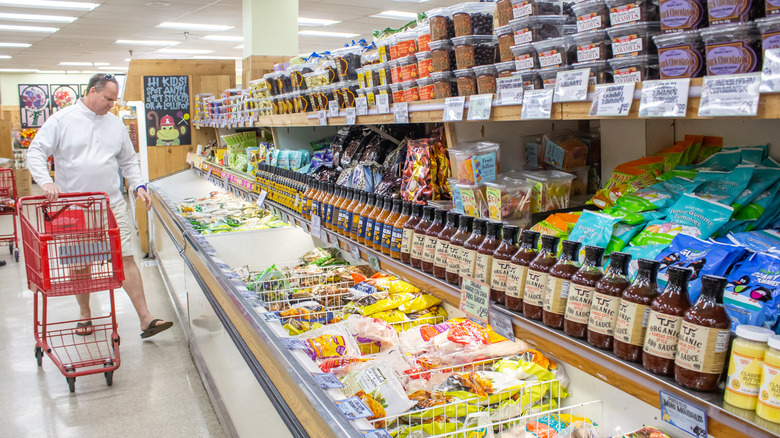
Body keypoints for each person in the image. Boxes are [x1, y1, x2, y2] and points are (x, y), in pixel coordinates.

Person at [26, 73, 173, 339]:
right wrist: (46, 182)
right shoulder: (62, 120)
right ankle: (85, 315)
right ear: (92, 92)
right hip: (74, 207)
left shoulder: (115, 124)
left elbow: (128, 160)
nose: (111, 104)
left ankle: (145, 318)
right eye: (108, 98)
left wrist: (139, 185)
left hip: (111, 204)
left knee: (125, 257)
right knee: (80, 263)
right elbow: (35, 151)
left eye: (114, 100)